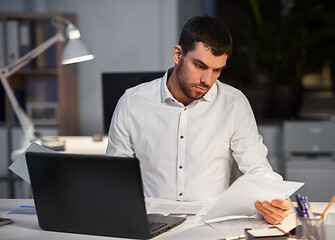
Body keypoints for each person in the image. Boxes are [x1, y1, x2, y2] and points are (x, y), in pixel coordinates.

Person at [106, 16, 290, 224]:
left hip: (211, 224)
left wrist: (275, 200)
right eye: (200, 66)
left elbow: (257, 168)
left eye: (217, 70)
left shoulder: (234, 103)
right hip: (148, 222)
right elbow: (116, 176)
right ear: (178, 54)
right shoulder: (132, 103)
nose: (207, 80)